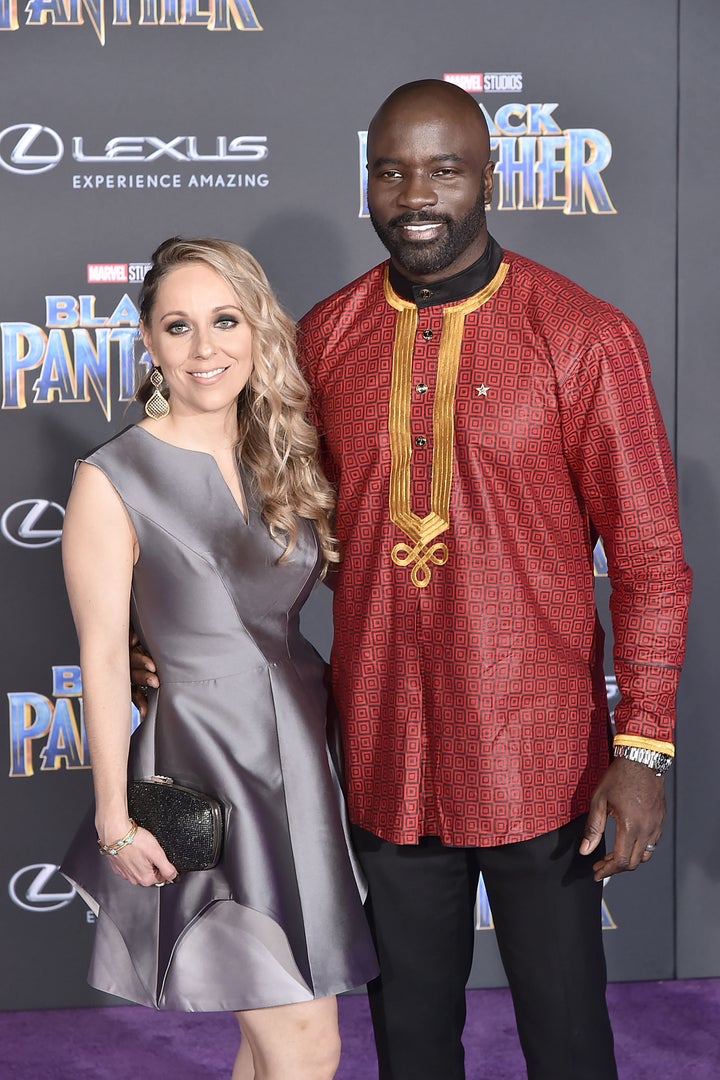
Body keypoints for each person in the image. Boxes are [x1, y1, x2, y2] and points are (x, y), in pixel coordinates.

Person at [132, 82, 691, 1080]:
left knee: (569, 1039)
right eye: (391, 170)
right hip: (385, 755)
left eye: (442, 168)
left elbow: (649, 557)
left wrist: (643, 749)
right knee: (409, 1043)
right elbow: (269, 524)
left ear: (488, 177)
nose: (414, 191)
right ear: (369, 184)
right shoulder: (325, 340)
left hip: (541, 759)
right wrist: (176, 635)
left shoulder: (583, 337)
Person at [61, 237, 378, 1080]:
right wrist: (112, 816)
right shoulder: (112, 477)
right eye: (179, 326)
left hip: (307, 755)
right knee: (306, 1040)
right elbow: (99, 658)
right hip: (207, 766)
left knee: (267, 1037)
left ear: (256, 328)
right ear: (152, 345)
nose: (206, 349)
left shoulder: (285, 453)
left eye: (225, 320)